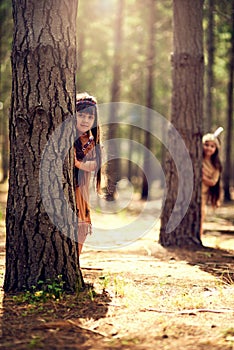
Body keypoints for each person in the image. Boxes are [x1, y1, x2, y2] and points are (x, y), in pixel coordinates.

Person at [74, 92, 102, 254]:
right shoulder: (69, 137)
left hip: (81, 190)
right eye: (81, 115)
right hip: (69, 189)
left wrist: (78, 163)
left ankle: (74, 262)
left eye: (90, 117)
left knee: (81, 227)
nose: (85, 120)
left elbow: (95, 165)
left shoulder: (91, 142)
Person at [201, 127, 223, 235]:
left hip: (202, 195)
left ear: (216, 149)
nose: (209, 148)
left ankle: (198, 237)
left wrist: (201, 177)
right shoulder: (197, 158)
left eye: (212, 146)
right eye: (206, 145)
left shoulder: (216, 166)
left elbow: (213, 182)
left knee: (200, 215)